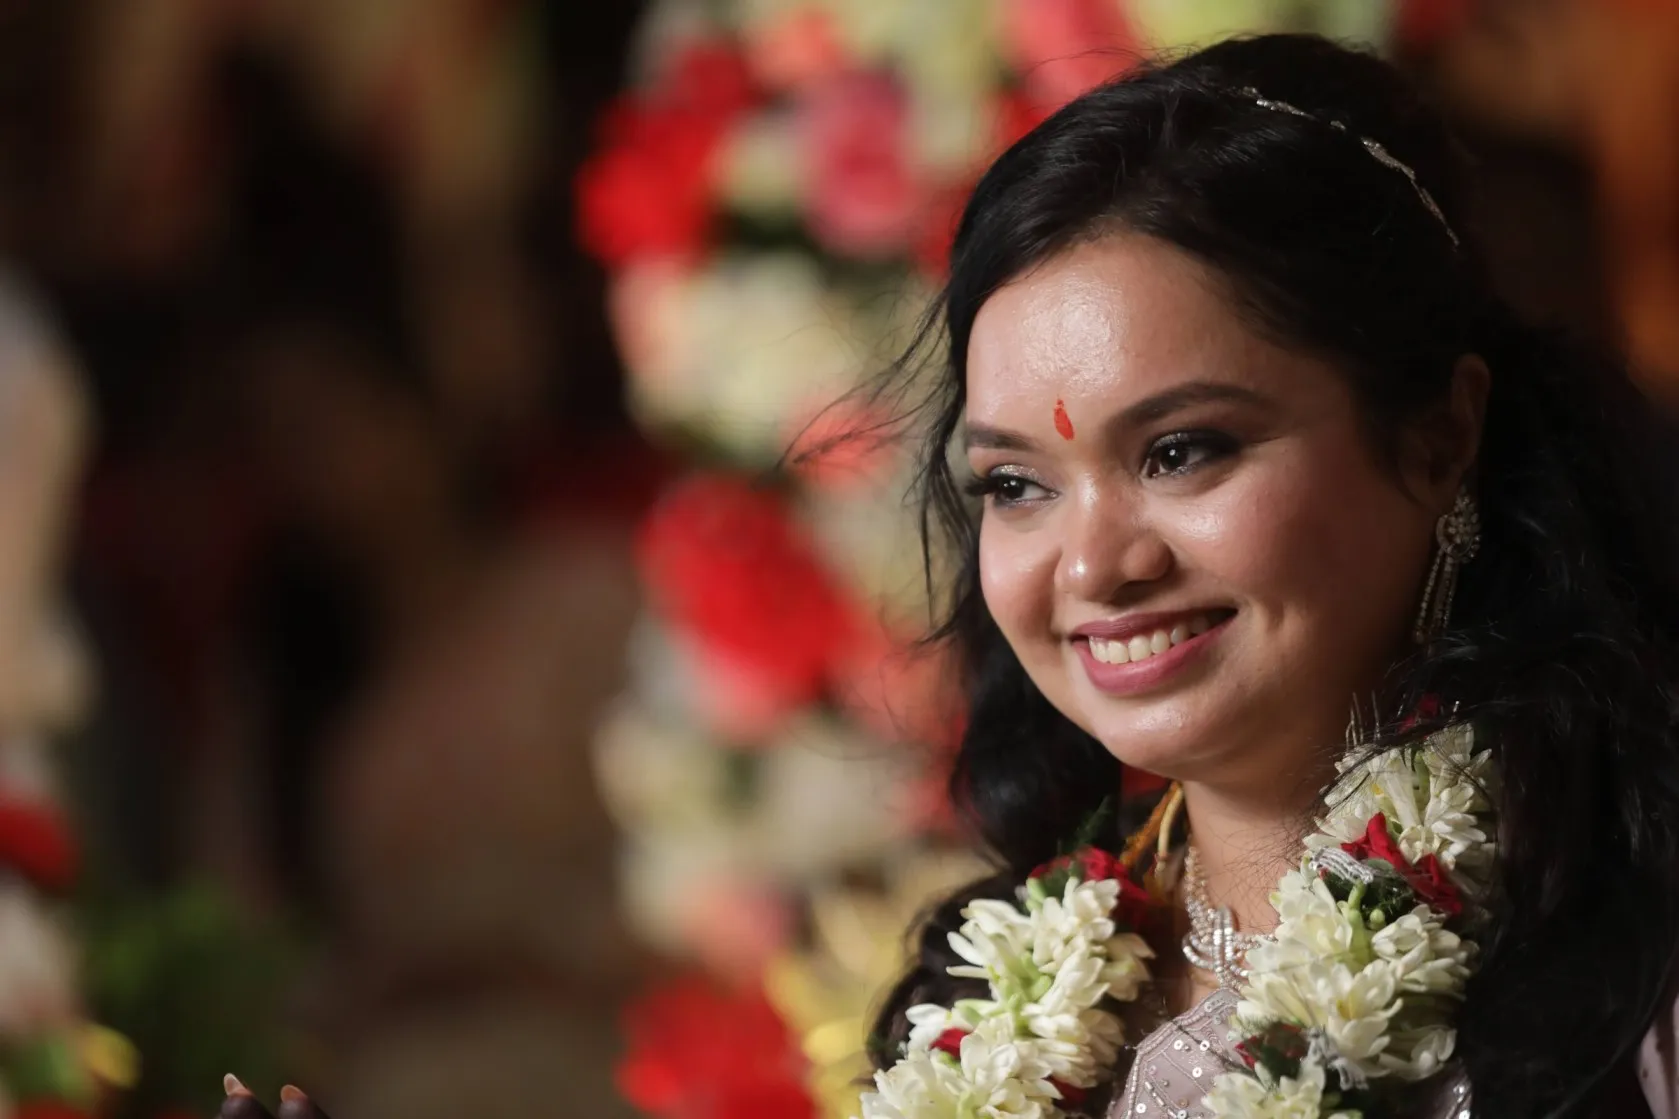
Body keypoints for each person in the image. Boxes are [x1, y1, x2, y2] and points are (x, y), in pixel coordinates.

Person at [221, 31, 1679, 1119]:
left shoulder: (1624, 968)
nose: (1093, 563)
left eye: (1182, 450)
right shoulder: (987, 1009)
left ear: (1436, 439)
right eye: (1015, 486)